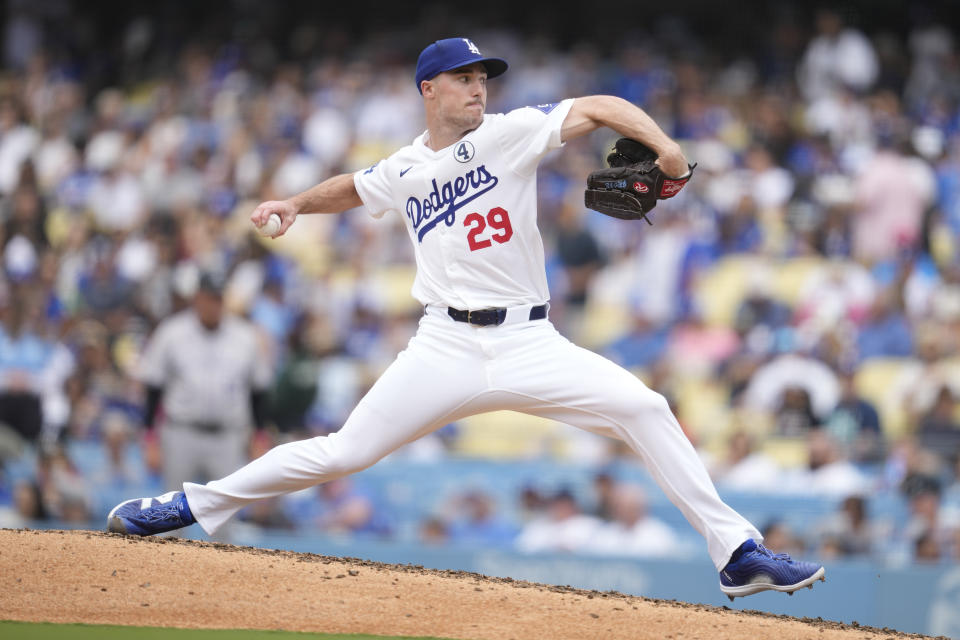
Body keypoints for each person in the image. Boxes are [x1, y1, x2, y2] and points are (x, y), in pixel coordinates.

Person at [107, 37, 824, 599]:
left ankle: (735, 553)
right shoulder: (403, 167)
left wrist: (668, 151)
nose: (479, 87)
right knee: (344, 452)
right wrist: (295, 202)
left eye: (484, 77)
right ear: (429, 89)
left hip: (528, 339)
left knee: (645, 406)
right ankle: (189, 505)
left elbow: (602, 104)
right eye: (464, 78)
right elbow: (353, 188)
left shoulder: (511, 133)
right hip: (443, 343)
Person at [134, 271, 273, 495]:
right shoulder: (172, 332)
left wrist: (259, 434)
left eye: (218, 298)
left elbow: (258, 390)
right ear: (197, 297)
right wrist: (150, 437)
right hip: (181, 433)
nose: (214, 305)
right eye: (209, 297)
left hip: (228, 437)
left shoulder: (245, 336)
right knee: (172, 511)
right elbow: (153, 387)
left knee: (225, 518)